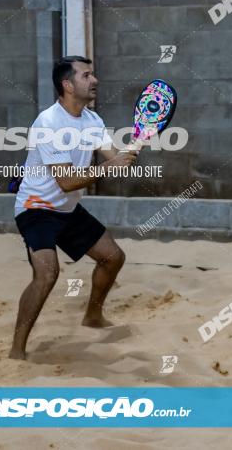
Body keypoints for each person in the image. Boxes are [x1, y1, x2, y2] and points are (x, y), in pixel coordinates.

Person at [9, 56, 137, 361]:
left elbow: (114, 159)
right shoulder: (49, 122)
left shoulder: (92, 120)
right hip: (36, 207)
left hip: (66, 209)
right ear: (67, 84)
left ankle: (92, 316)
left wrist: (130, 152)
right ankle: (17, 348)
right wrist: (112, 164)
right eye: (86, 75)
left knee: (113, 258)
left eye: (93, 75)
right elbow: (66, 181)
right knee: (47, 274)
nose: (94, 81)